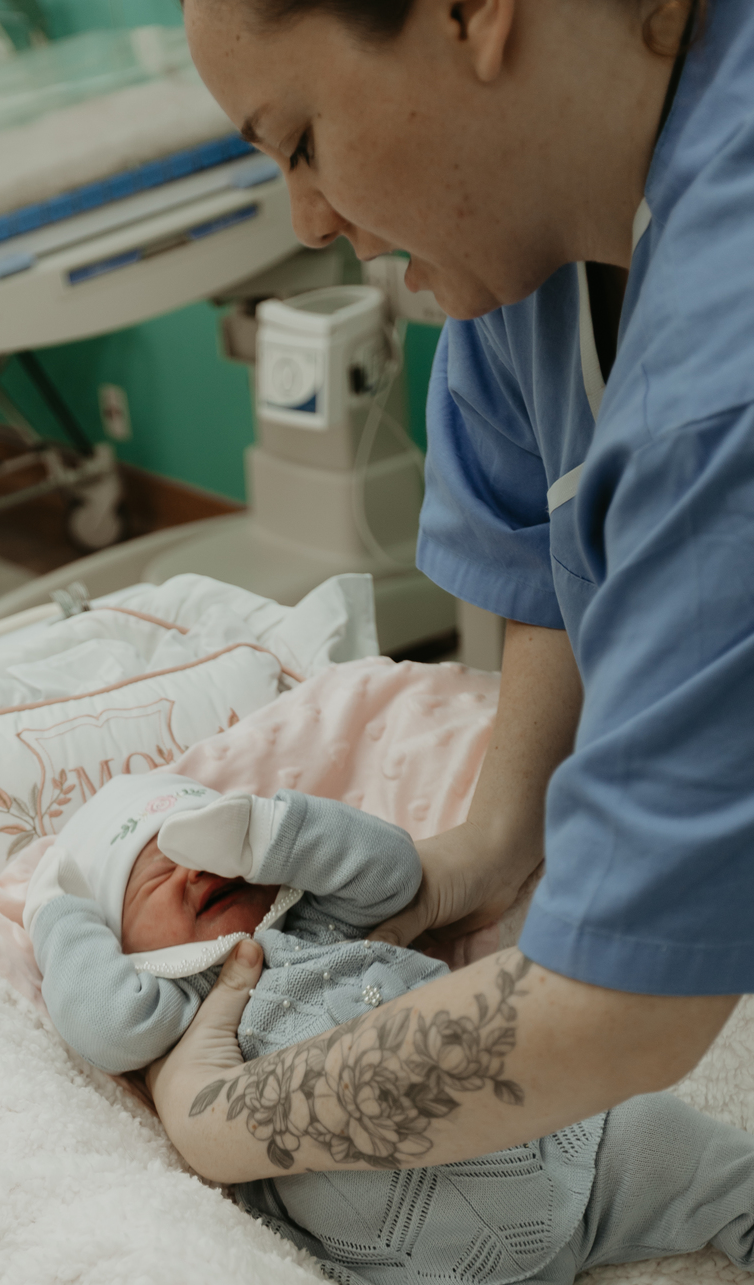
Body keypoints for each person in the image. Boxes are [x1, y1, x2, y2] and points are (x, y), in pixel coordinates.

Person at [146, 0, 751, 1194]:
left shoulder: (721, 383)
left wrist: (223, 1116)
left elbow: (619, 1013)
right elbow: (561, 538)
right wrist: (497, 836)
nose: (310, 220)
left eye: (301, 142)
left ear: (472, 14)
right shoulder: (528, 224)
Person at [24, 770, 754, 1285]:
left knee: (693, 1158)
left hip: (566, 1137)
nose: (193, 869)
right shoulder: (174, 1021)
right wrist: (59, 913)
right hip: (446, 1269)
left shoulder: (319, 924)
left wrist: (258, 832)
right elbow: (106, 1024)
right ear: (121, 948)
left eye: (204, 844)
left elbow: (391, 868)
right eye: (152, 878)